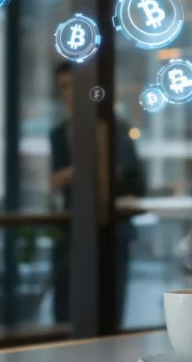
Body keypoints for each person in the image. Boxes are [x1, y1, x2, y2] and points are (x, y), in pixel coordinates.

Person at [50, 62, 146, 324]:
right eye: (64, 87)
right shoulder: (58, 134)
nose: (70, 93)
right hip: (71, 232)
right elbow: (55, 182)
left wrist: (79, 173)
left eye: (75, 86)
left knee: (109, 311)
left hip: (110, 232)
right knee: (65, 310)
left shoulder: (116, 130)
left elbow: (135, 181)